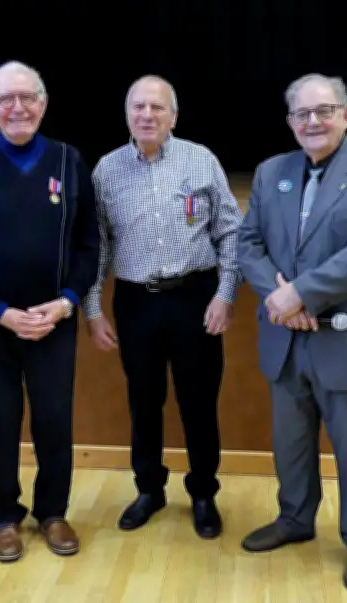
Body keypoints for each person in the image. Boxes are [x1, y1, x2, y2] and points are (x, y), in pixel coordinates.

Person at [236, 73, 347, 592]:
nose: (313, 121)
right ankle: (294, 519)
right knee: (290, 445)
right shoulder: (271, 173)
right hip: (287, 341)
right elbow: (249, 244)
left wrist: (300, 295)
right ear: (290, 122)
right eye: (302, 114)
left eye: (324, 110)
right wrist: (279, 297)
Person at [0, 60, 99, 563]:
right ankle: (4, 517)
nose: (17, 107)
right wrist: (0, 311)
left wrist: (68, 301)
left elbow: (89, 246)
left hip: (54, 321)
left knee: (54, 418)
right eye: (6, 99)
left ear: (44, 104)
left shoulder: (71, 162)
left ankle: (52, 511)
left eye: (27, 97)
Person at [83, 75, 244, 539]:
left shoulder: (201, 160)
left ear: (174, 115)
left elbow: (230, 231)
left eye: (157, 107)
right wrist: (93, 310)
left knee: (198, 402)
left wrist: (225, 293)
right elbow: (98, 247)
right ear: (127, 114)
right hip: (137, 303)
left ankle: (203, 493)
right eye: (138, 107)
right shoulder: (106, 170)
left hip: (196, 297)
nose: (147, 115)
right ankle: (149, 489)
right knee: (144, 402)